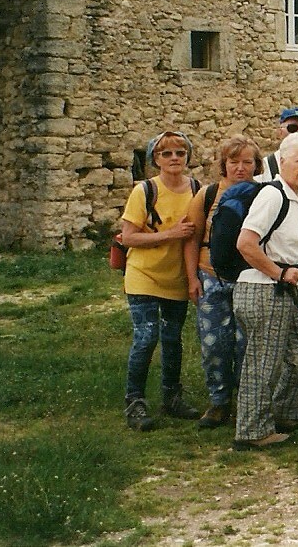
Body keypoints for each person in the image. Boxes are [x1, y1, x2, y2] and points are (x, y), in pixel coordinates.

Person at [232, 133, 298, 450]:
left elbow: (295, 251)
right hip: (261, 289)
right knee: (263, 362)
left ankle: (284, 413)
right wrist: (280, 273)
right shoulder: (272, 195)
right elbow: (246, 243)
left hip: (287, 287)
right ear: (282, 161)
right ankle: (251, 432)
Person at [119, 130, 202, 431]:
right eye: (166, 154)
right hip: (143, 274)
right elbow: (128, 237)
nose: (174, 158)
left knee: (172, 339)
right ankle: (135, 402)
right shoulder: (145, 191)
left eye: (180, 153)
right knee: (146, 337)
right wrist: (170, 234)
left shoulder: (196, 190)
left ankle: (172, 397)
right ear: (156, 159)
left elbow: (196, 235)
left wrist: (193, 278)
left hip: (176, 276)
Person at [183, 134, 260, 429]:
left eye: (247, 162)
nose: (240, 168)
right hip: (210, 275)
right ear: (223, 164)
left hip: (248, 278)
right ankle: (218, 401)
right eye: (233, 161)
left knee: (245, 343)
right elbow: (192, 238)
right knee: (214, 342)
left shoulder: (263, 194)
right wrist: (192, 278)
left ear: (256, 165)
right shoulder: (208, 195)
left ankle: (246, 401)